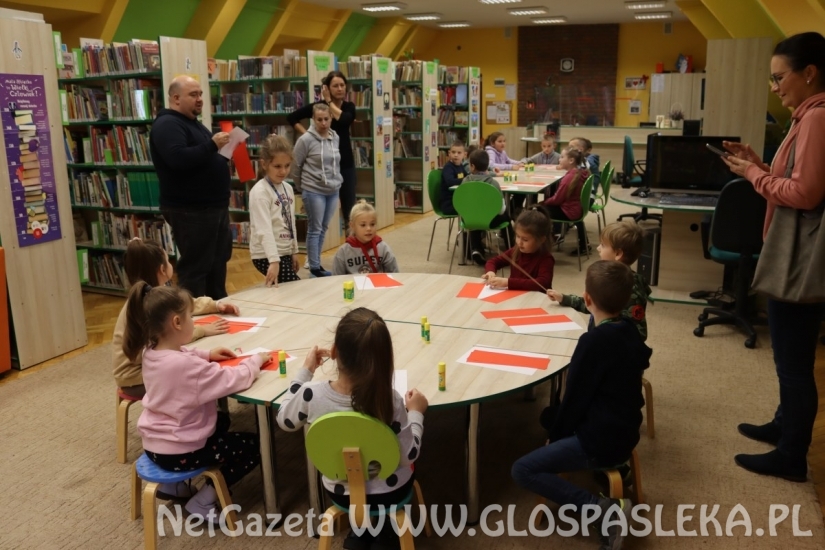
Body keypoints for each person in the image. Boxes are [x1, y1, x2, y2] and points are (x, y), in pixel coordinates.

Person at [721, 32, 825, 482]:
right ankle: (784, 426)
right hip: (794, 253)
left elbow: (805, 193)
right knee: (790, 357)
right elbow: (797, 178)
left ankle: (792, 454)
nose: (775, 86)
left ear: (809, 73)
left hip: (799, 260)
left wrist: (752, 175)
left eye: (780, 77)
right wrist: (759, 166)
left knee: (793, 360)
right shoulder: (807, 118)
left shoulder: (818, 119)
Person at [511, 261, 652, 550]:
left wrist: (558, 436)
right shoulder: (630, 332)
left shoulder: (593, 343)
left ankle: (601, 510)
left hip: (600, 440)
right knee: (549, 416)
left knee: (522, 470)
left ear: (587, 299)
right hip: (626, 429)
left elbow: (575, 399)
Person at [277, 308, 428, 549]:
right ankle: (384, 533)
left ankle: (362, 532)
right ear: (383, 359)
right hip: (390, 493)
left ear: (334, 352)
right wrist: (417, 413)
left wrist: (304, 372)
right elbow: (408, 455)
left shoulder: (310, 394)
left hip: (340, 491)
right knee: (400, 472)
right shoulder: (390, 400)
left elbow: (284, 419)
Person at [124, 282, 267, 520]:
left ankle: (175, 487)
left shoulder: (150, 351)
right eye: (191, 316)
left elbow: (182, 355)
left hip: (154, 445)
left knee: (221, 420)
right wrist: (256, 361)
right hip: (180, 451)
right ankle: (204, 500)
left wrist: (207, 354)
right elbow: (234, 379)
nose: (194, 321)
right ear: (177, 323)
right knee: (253, 446)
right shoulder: (187, 367)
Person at [112, 238, 241, 399]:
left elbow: (183, 303)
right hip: (136, 378)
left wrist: (215, 305)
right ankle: (201, 418)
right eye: (168, 260)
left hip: (142, 370)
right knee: (193, 372)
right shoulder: (147, 305)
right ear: (162, 269)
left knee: (195, 364)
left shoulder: (153, 295)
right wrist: (202, 330)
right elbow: (167, 339)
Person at [150, 75, 233, 300]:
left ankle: (218, 308)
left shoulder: (191, 122)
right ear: (176, 98)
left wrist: (223, 153)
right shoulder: (168, 124)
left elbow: (204, 157)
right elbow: (177, 158)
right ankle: (193, 318)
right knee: (196, 267)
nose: (199, 99)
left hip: (212, 207)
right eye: (193, 95)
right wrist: (212, 144)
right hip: (191, 210)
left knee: (217, 262)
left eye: (200, 94)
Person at [547, 221, 651, 341]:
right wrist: (564, 298)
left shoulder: (631, 289)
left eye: (603, 245)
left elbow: (640, 333)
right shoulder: (606, 278)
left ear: (618, 253)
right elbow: (594, 304)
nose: (598, 248)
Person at [288, 70, 357, 226]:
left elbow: (344, 119)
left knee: (350, 211)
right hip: (323, 167)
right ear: (327, 88)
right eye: (335, 86)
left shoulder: (349, 107)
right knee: (322, 219)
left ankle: (351, 246)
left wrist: (329, 102)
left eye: (342, 85)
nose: (340, 89)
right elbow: (292, 117)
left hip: (345, 163)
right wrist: (308, 135)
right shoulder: (318, 108)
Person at [293, 103, 343, 278]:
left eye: (326, 119)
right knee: (315, 228)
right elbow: (295, 166)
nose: (323, 123)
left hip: (332, 189)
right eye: (319, 119)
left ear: (331, 118)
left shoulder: (335, 137)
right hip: (313, 190)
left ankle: (317, 263)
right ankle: (314, 268)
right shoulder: (305, 140)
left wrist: (336, 182)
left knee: (323, 227)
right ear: (313, 120)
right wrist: (302, 187)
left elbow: (335, 163)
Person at [249, 134, 300, 287]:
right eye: (277, 166)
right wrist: (274, 260)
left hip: (284, 251)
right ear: (264, 164)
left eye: (287, 165)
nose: (283, 171)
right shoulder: (260, 192)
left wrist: (294, 251)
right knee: (295, 287)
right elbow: (264, 229)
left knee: (282, 292)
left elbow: (291, 221)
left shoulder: (288, 188)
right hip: (265, 255)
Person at [482, 207, 555, 292]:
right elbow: (493, 261)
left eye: (525, 239)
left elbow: (542, 283)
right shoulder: (515, 251)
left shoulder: (546, 259)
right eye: (518, 236)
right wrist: (490, 271)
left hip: (535, 299)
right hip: (516, 296)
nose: (519, 242)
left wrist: (508, 282)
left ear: (541, 239)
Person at [464, 149, 511, 266]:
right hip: (491, 221)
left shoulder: (465, 181)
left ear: (472, 166)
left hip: (469, 219)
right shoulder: (493, 183)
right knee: (507, 217)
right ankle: (512, 250)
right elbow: (501, 210)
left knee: (475, 217)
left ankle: (476, 249)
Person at [542, 147, 591, 254]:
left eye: (562, 157)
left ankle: (542, 244)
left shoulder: (569, 177)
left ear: (571, 160)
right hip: (577, 209)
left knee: (537, 210)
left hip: (569, 211)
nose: (559, 159)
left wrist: (544, 202)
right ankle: (584, 244)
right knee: (541, 207)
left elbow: (557, 200)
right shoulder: (580, 172)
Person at [333, 201, 399, 275]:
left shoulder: (383, 248)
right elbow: (336, 279)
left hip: (377, 285)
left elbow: (395, 274)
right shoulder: (343, 252)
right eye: (363, 225)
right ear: (352, 226)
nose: (368, 228)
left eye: (372, 224)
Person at [440, 140, 468, 215]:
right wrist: (466, 180)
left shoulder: (461, 166)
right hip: (449, 204)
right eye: (453, 152)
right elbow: (450, 182)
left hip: (458, 200)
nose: (456, 155)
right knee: (473, 207)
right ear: (449, 153)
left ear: (464, 155)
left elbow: (467, 176)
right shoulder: (448, 167)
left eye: (459, 153)